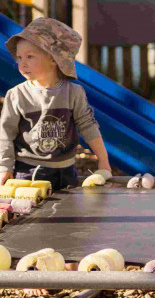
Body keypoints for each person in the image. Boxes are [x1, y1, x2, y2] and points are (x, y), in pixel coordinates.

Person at [0, 18, 111, 190]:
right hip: (31, 172)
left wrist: (103, 161)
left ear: (54, 59)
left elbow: (88, 126)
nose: (22, 63)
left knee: (68, 212)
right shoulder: (17, 95)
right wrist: (5, 167)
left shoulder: (73, 93)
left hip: (66, 169)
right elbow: (6, 134)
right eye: (19, 57)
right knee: (36, 217)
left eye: (30, 57)